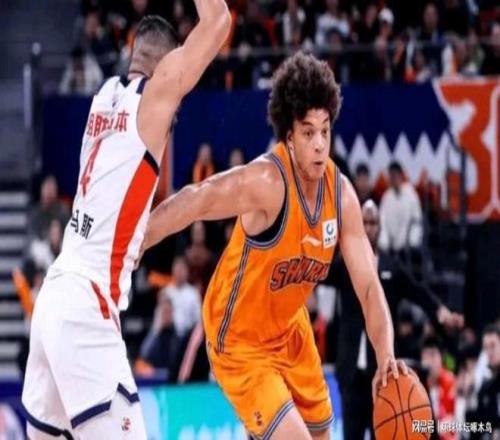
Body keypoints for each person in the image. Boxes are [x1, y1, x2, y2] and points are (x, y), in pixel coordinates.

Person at [143, 52, 411, 440]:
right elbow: (200, 197)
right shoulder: (268, 183)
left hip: (288, 328)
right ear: (289, 136)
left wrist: (385, 353)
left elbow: (369, 287)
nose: (319, 144)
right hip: (239, 336)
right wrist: (138, 238)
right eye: (308, 133)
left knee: (321, 434)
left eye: (325, 131)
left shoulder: (342, 196)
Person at [22, 2, 231, 438]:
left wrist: (154, 228)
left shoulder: (103, 98)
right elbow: (219, 22)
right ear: (164, 65)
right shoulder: (152, 98)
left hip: (55, 295)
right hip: (87, 304)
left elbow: (133, 217)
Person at [329, 200, 463, 440]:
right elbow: (316, 271)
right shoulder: (343, 264)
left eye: (373, 222)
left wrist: (441, 311)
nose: (368, 227)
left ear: (380, 227)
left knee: (388, 433)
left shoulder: (393, 267)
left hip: (382, 374)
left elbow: (418, 291)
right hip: (350, 371)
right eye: (364, 222)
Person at [379, 161, 423, 253]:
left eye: (396, 175)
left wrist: (412, 244)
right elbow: (382, 223)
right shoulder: (386, 197)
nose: (394, 178)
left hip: (410, 248)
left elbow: (417, 221)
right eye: (392, 175)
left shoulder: (411, 195)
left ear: (401, 176)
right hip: (391, 249)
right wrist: (384, 244)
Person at [421, 336, 457, 440]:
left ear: (441, 358)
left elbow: (454, 421)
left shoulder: (451, 382)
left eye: (433, 355)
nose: (429, 361)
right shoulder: (416, 387)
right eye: (426, 356)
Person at [162, 255, 201, 337]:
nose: (179, 273)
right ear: (173, 270)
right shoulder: (166, 292)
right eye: (177, 269)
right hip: (168, 334)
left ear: (187, 271)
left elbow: (198, 320)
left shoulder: (193, 293)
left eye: (181, 270)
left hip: (187, 335)